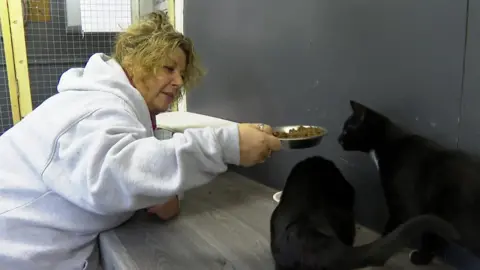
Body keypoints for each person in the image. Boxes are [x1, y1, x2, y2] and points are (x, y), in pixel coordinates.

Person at [0, 11, 281, 270]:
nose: (179, 82)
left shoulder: (112, 107)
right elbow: (119, 175)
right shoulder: (96, 107)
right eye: (168, 68)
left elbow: (133, 171)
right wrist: (227, 144)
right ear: (136, 62)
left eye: (182, 74)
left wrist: (161, 193)